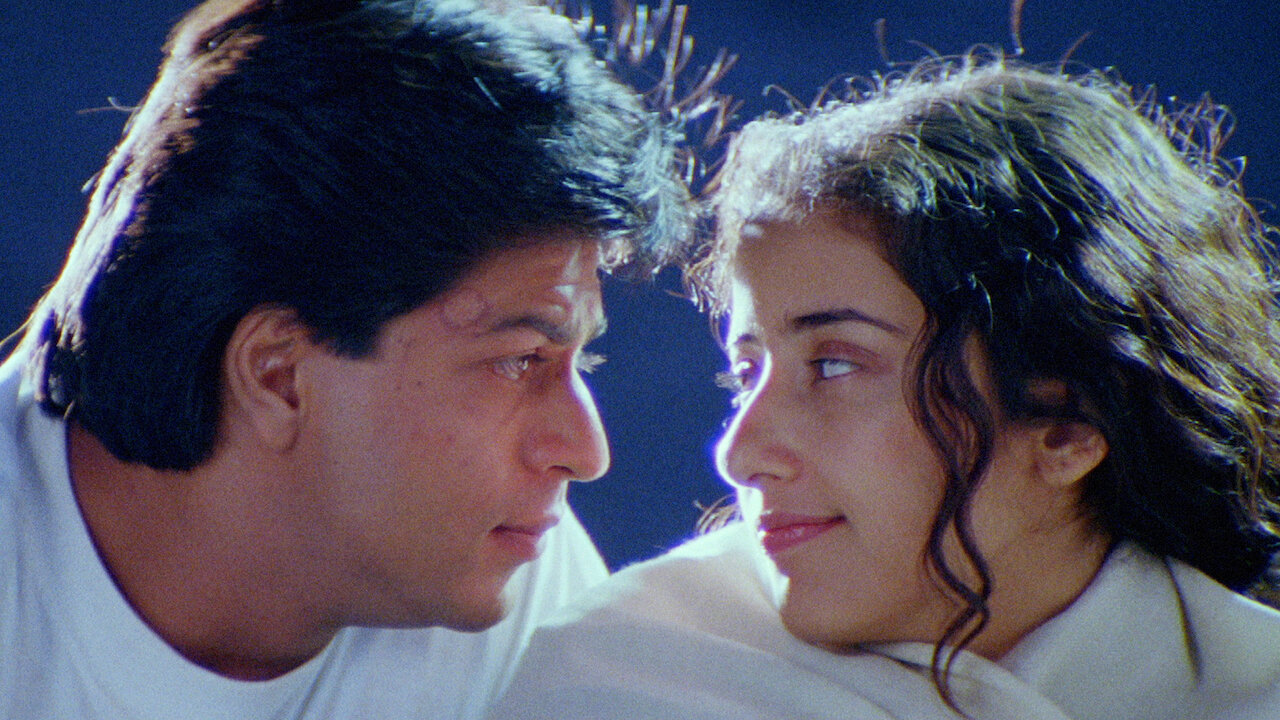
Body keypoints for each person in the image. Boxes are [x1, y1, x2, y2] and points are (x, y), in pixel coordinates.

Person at [492, 55, 1280, 719]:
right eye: (745, 373)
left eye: (835, 364)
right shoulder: (627, 682)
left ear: (1067, 425)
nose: (740, 452)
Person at [0, 0, 695, 717]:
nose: (586, 452)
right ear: (278, 376)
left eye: (582, 361)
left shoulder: (516, 581)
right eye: (520, 360)